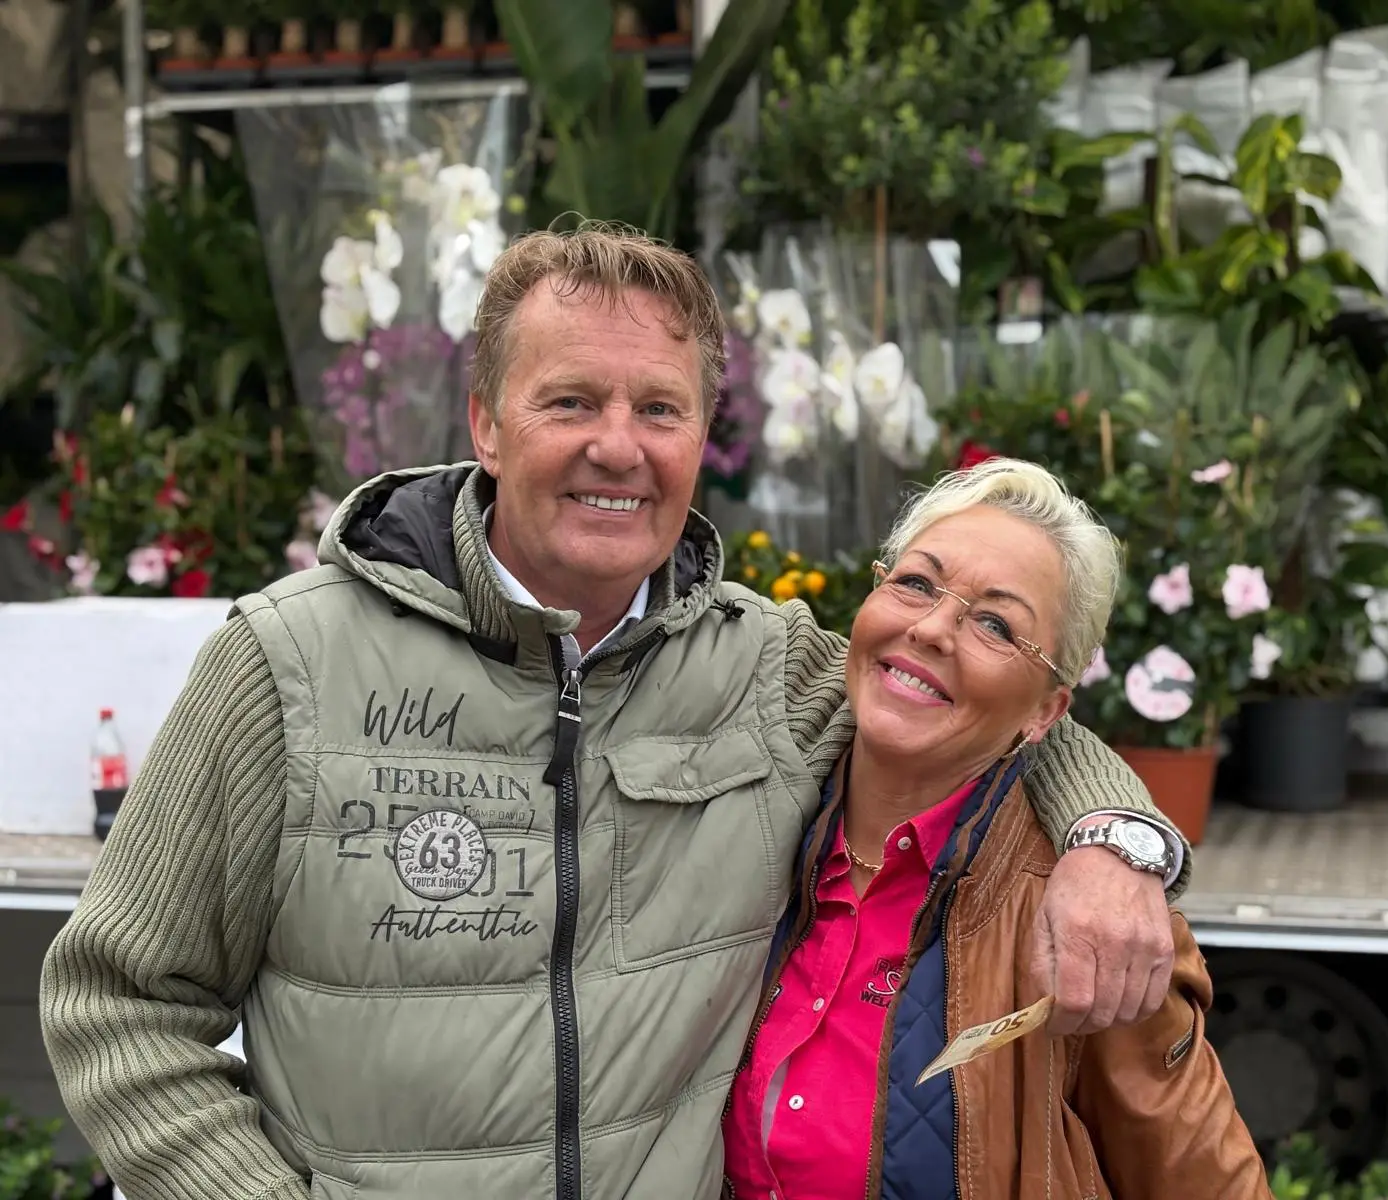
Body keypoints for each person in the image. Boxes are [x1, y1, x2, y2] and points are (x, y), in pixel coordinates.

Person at [40, 224, 1193, 1200]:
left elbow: (979, 694)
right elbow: (119, 1004)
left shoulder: (766, 669)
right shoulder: (286, 666)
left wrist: (1113, 845)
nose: (618, 447)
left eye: (659, 408)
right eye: (571, 401)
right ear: (487, 423)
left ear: (700, 437)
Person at [724, 458, 1268, 1200]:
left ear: (1047, 711)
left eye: (995, 624)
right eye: (916, 583)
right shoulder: (747, 813)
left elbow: (1204, 1182)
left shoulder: (1089, 925)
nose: (932, 629)